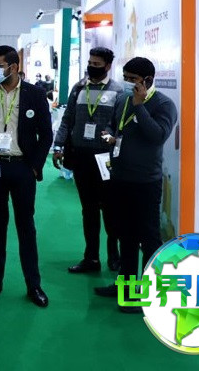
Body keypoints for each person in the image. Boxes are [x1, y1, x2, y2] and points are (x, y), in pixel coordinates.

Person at [94, 57, 178, 312]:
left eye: (133, 79)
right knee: (126, 235)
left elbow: (158, 135)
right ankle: (126, 287)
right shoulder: (122, 99)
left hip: (146, 181)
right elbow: (114, 126)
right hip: (120, 177)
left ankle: (148, 292)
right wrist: (110, 136)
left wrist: (140, 106)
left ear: (148, 80)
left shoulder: (164, 104)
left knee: (148, 238)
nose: (128, 83)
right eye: (126, 78)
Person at [0, 46, 52, 308]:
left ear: (14, 67)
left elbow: (46, 135)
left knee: (26, 227)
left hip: (22, 168)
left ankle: (34, 285)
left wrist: (35, 167)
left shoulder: (35, 94)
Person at [53, 47, 122, 274]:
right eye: (90, 63)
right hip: (81, 157)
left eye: (97, 64)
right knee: (88, 210)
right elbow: (67, 119)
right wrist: (58, 145)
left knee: (110, 209)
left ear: (108, 66)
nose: (92, 67)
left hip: (106, 159)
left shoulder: (118, 92)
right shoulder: (79, 88)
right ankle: (91, 258)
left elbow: (120, 125)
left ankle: (114, 254)